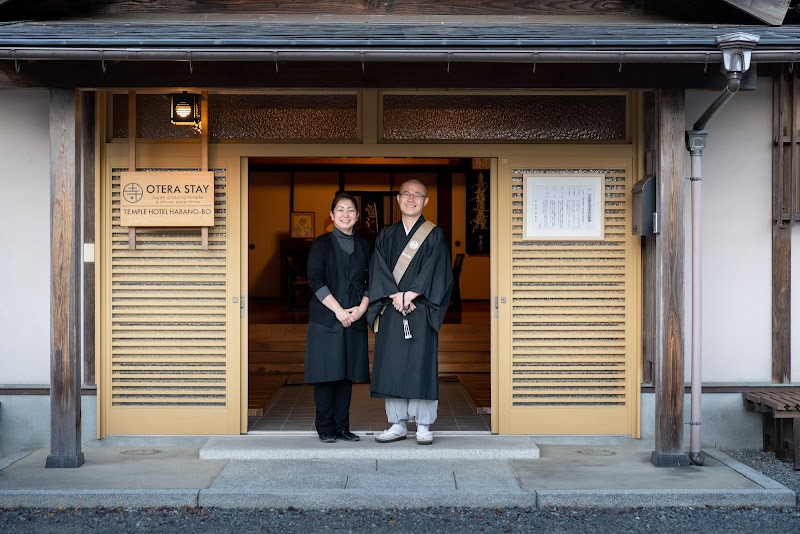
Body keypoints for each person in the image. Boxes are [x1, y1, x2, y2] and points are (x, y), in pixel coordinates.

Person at [367, 179, 453, 445]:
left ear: (426, 201)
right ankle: (397, 423)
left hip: (421, 309)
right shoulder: (386, 235)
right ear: (398, 199)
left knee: (420, 365)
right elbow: (377, 269)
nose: (411, 199)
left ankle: (424, 424)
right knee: (392, 365)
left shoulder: (434, 234)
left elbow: (436, 270)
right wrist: (396, 296)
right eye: (406, 194)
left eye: (418, 195)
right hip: (392, 308)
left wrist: (412, 294)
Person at [304, 191, 373, 443]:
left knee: (346, 374)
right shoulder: (321, 243)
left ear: (357, 217)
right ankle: (325, 428)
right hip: (326, 316)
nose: (346, 215)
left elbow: (372, 280)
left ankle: (342, 427)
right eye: (340, 210)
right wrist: (339, 310)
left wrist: (362, 308)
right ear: (332, 215)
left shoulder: (366, 245)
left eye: (351, 210)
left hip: (354, 316)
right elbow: (315, 280)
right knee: (326, 374)